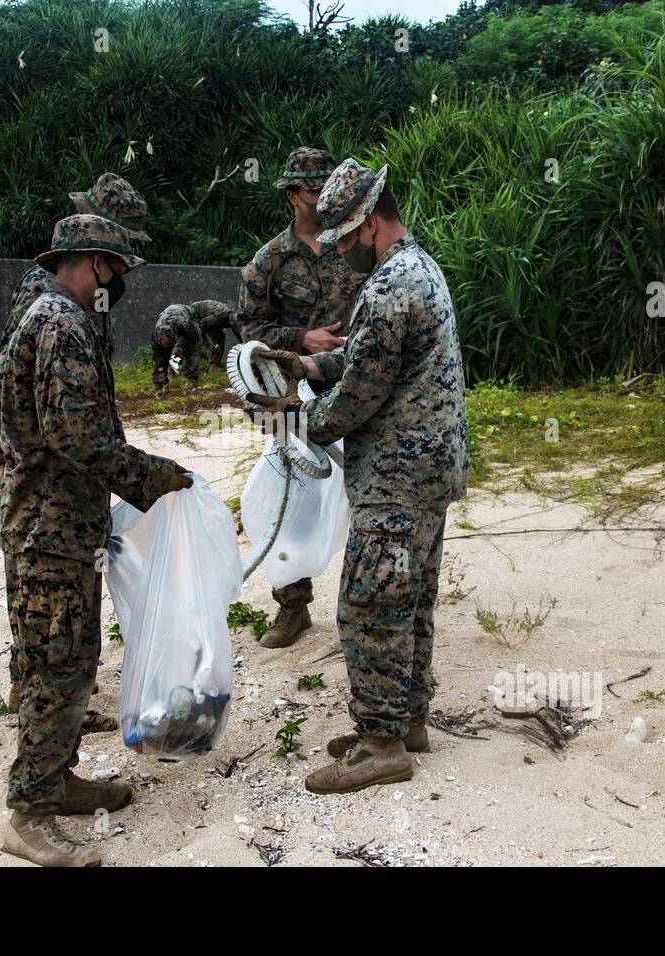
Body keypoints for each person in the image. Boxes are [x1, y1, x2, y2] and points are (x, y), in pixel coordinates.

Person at [245, 159, 469, 795]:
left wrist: (296, 420)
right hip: (431, 466)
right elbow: (371, 353)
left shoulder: (390, 285)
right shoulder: (417, 269)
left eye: (345, 237)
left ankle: (381, 743)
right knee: (412, 596)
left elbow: (363, 392)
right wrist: (313, 366)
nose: (340, 251)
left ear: (371, 223)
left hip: (397, 474)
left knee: (370, 603)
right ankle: (408, 721)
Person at [0, 214, 192, 866]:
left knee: (69, 660)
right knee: (62, 670)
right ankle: (29, 812)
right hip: (50, 530)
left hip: (54, 523)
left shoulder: (50, 317)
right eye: (120, 267)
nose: (124, 280)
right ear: (96, 262)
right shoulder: (61, 324)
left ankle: (60, 779)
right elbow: (76, 436)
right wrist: (155, 478)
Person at [0, 173, 150, 729]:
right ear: (96, 253)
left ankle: (43, 702)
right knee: (50, 608)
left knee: (51, 612)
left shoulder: (76, 303)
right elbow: (41, 404)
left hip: (60, 480)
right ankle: (38, 703)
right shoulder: (51, 305)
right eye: (120, 255)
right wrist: (144, 476)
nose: (126, 269)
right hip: (48, 482)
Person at [236, 147, 366, 649]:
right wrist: (301, 339)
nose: (327, 196)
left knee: (365, 491)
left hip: (357, 384)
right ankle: (293, 608)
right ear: (293, 195)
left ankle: (364, 607)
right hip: (295, 393)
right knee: (284, 497)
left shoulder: (355, 244)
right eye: (316, 189)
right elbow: (248, 331)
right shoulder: (268, 261)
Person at [151, 304, 202, 391]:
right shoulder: (155, 335)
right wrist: (158, 379)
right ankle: (159, 383)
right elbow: (158, 358)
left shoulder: (185, 324)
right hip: (170, 317)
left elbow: (195, 340)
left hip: (186, 313)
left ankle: (191, 379)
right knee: (159, 357)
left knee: (192, 350)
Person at [191, 299, 238, 370]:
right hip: (201, 315)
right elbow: (202, 325)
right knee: (217, 338)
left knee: (219, 337)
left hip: (213, 316)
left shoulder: (229, 318)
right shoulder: (220, 316)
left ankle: (214, 365)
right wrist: (208, 343)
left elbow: (238, 333)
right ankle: (214, 365)